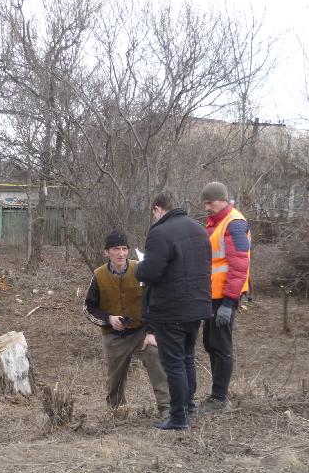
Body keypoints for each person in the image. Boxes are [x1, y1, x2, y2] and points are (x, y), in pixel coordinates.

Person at [135, 192, 212, 430]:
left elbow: (151, 272)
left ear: (158, 209)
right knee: (188, 358)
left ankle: (178, 417)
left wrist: (139, 268)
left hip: (171, 309)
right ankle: (188, 407)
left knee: (174, 363)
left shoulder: (160, 233)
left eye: (153, 213)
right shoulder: (200, 230)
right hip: (198, 306)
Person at [84, 230, 170, 418]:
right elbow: (88, 308)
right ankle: (117, 411)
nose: (121, 254)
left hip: (141, 332)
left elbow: (155, 301)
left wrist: (152, 331)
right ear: (107, 252)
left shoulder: (140, 269)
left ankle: (166, 408)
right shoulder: (98, 275)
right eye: (116, 249)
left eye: (124, 249)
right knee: (115, 378)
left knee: (156, 358)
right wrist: (109, 319)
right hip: (114, 336)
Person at [198, 182, 251, 414]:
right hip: (213, 296)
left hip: (224, 298)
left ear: (221, 200)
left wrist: (229, 303)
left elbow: (240, 266)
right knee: (211, 343)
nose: (206, 207)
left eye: (209, 202)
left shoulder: (234, 223)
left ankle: (220, 398)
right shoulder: (216, 223)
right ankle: (216, 396)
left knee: (221, 345)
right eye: (205, 203)